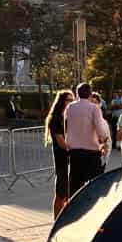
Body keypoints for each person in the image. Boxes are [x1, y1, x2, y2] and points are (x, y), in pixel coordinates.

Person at [63, 83, 110, 195]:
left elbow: (66, 125)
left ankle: (74, 208)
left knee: (75, 184)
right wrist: (105, 140)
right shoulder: (94, 108)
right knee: (94, 185)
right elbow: (99, 127)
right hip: (91, 151)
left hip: (74, 151)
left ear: (77, 93)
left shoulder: (70, 107)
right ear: (90, 93)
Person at [46, 90, 74, 218]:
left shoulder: (70, 117)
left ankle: (67, 218)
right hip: (62, 158)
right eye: (69, 100)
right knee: (61, 192)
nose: (71, 102)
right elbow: (61, 142)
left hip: (73, 158)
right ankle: (56, 219)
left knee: (70, 192)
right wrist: (75, 149)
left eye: (72, 100)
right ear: (62, 101)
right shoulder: (56, 119)